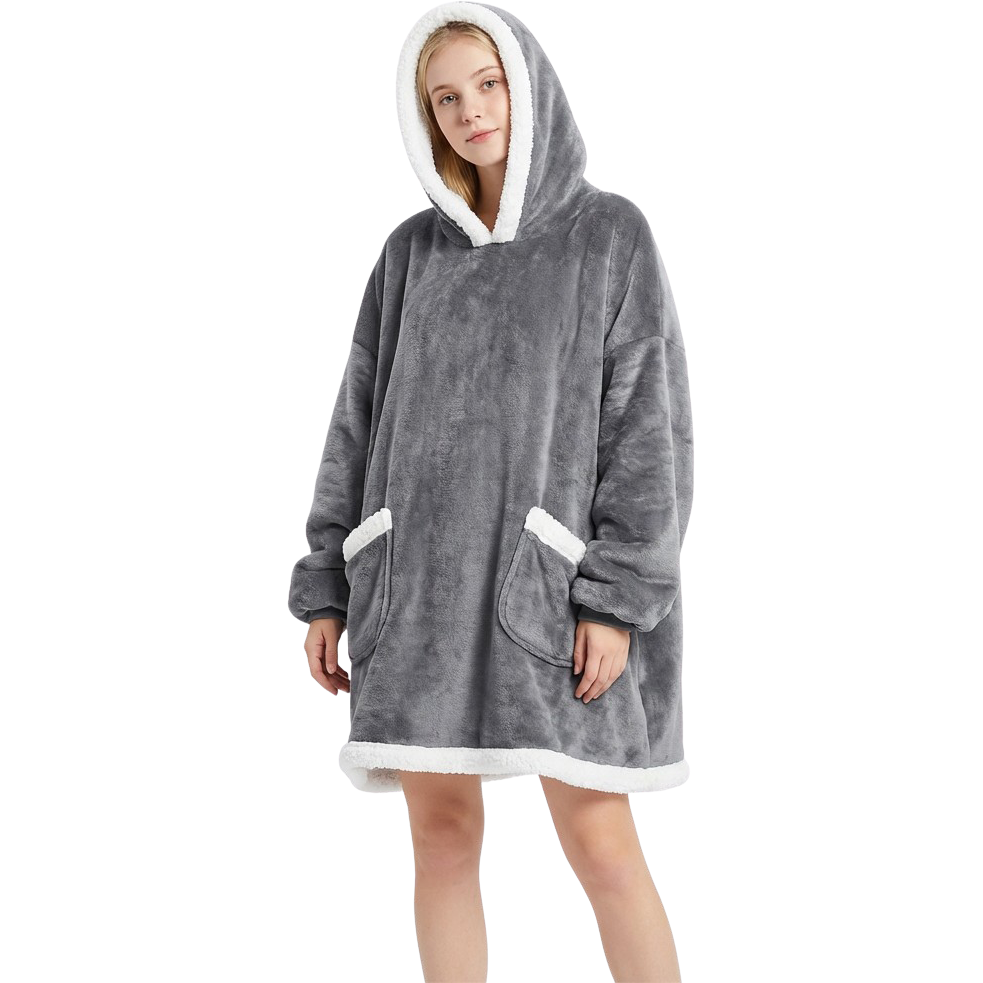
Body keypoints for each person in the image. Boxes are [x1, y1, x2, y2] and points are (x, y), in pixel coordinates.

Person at [288, 3, 694, 980]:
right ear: (425, 119)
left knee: (599, 842)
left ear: (528, 84)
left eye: (487, 83)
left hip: (547, 596)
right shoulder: (408, 256)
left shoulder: (607, 235)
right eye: (445, 98)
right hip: (415, 596)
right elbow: (355, 424)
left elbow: (648, 431)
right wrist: (329, 583)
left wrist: (614, 598)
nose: (470, 110)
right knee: (441, 835)